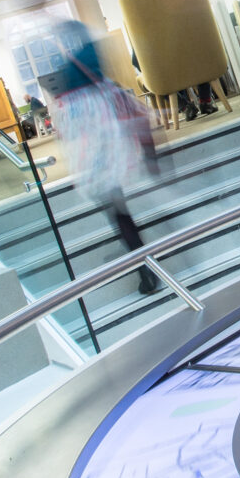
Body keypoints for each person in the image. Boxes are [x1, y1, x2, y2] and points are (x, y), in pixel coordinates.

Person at [41, 19, 161, 294]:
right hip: (108, 151)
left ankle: (144, 264)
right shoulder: (102, 84)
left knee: (117, 211)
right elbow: (139, 119)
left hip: (97, 155)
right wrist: (151, 157)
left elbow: (72, 132)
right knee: (118, 210)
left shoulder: (74, 95)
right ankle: (141, 260)